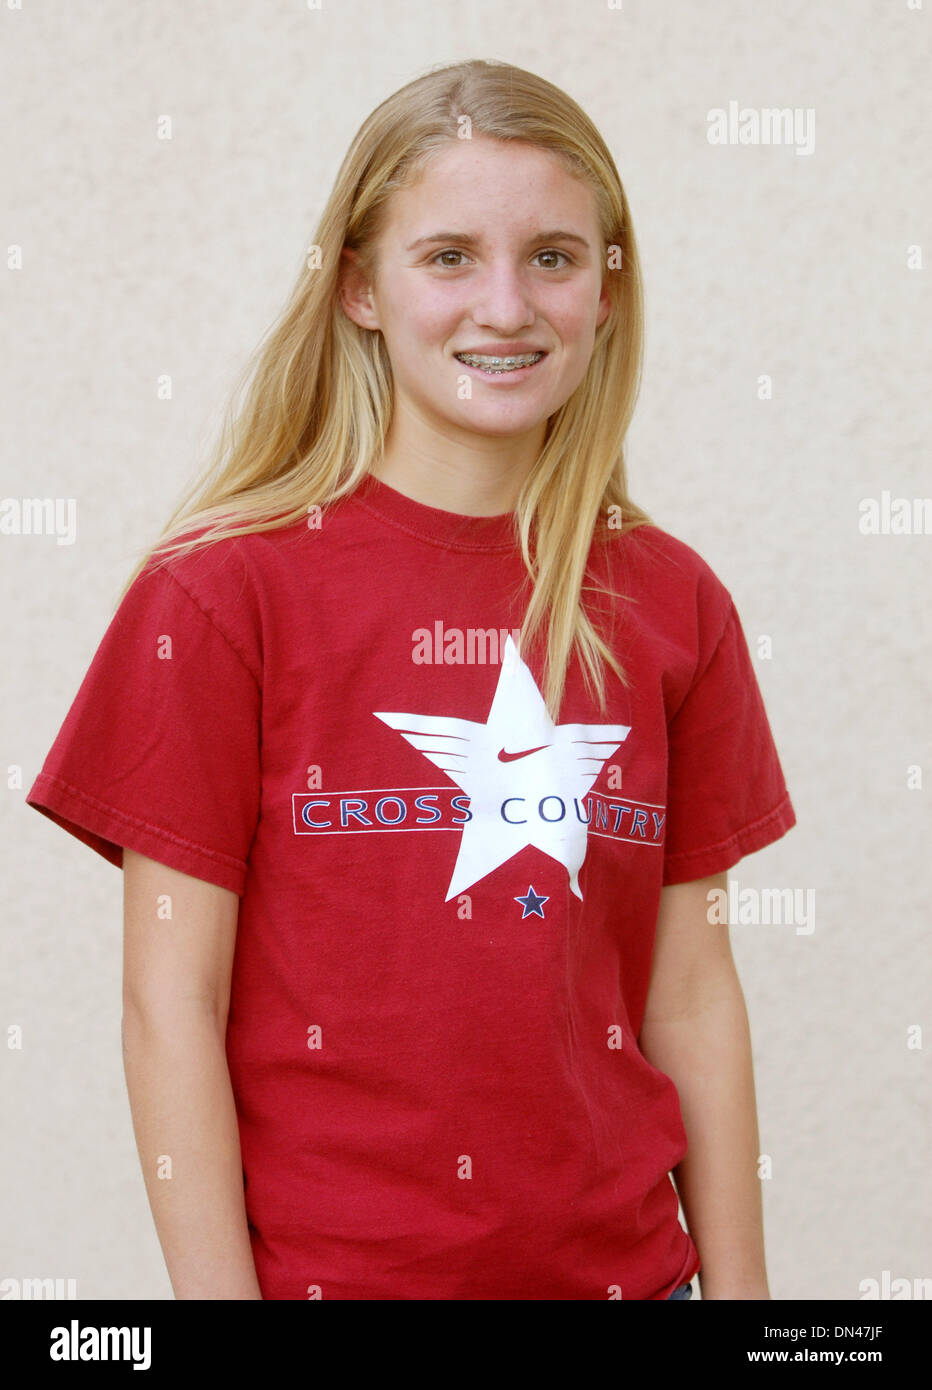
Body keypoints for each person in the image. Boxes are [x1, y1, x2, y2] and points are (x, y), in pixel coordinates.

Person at [26, 58, 796, 1301]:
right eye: (446, 256)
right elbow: (169, 1001)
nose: (504, 306)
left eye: (552, 256)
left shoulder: (671, 600)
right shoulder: (219, 598)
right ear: (359, 289)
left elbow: (693, 995)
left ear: (605, 291)